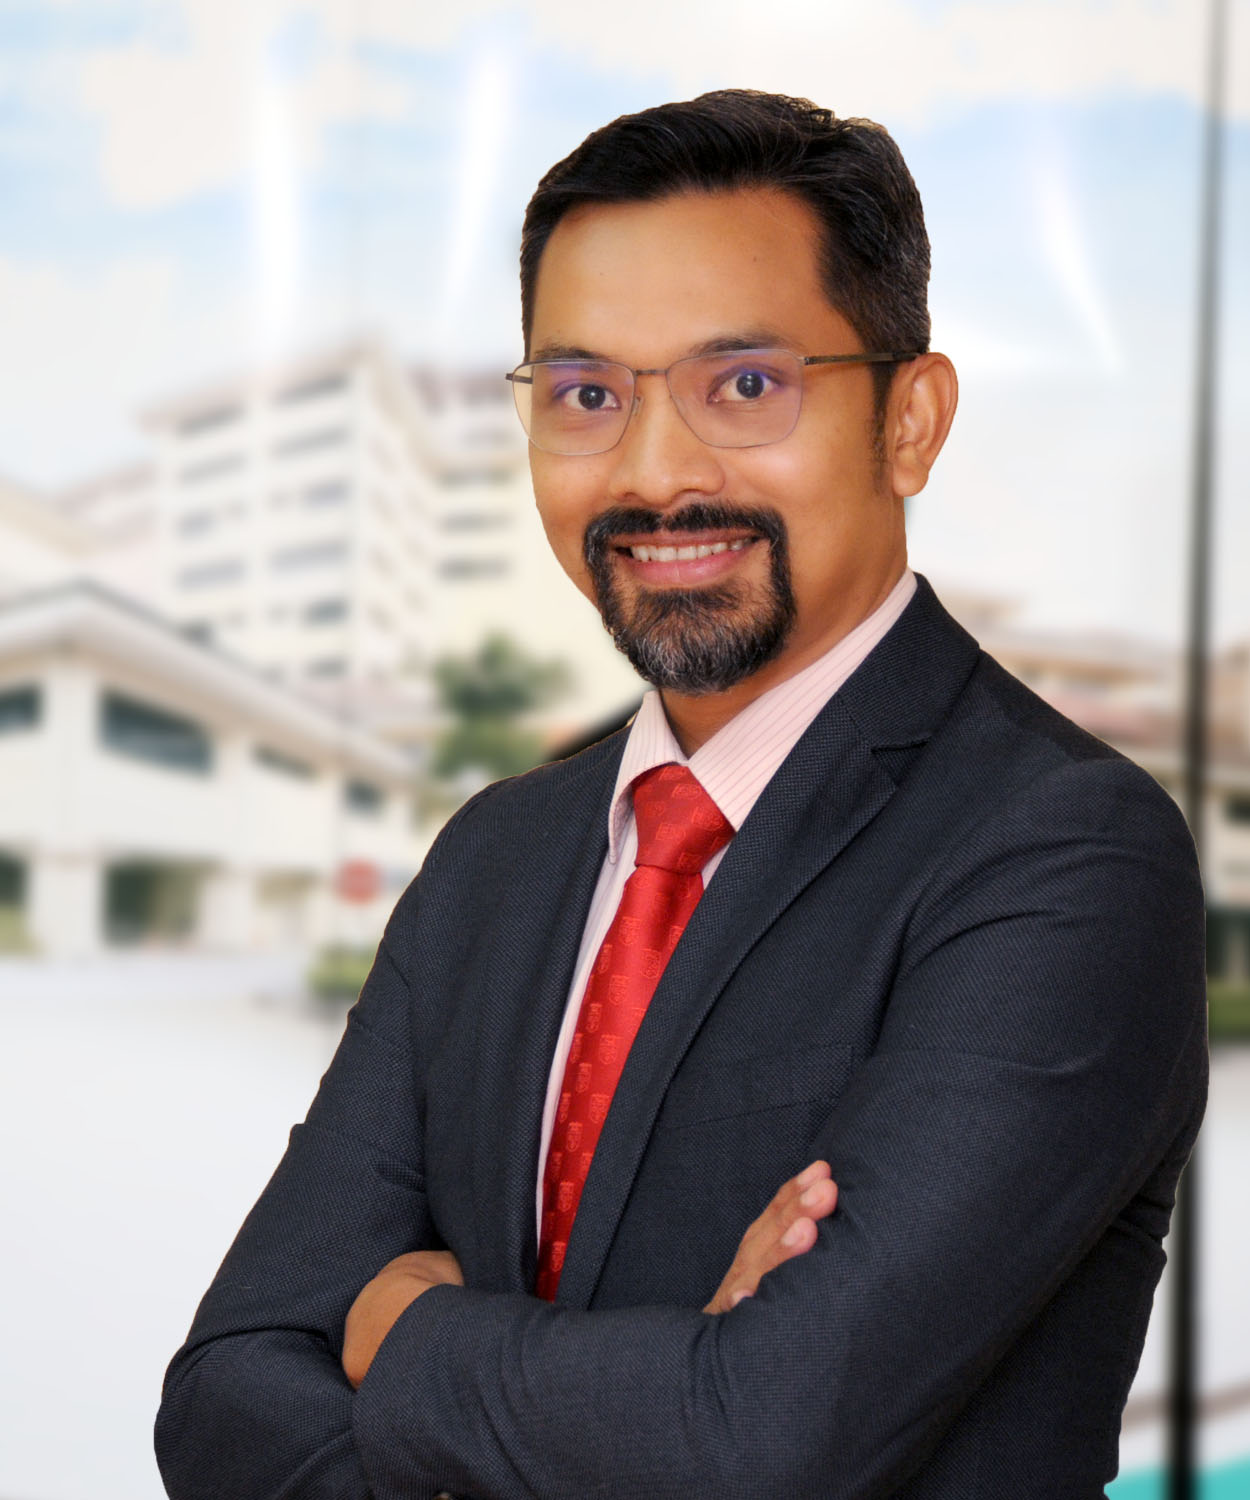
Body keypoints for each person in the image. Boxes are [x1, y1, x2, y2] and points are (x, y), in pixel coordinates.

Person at [156, 90, 1207, 1499]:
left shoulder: (1061, 854)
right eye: (588, 397)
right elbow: (223, 1399)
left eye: (746, 385)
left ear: (909, 421)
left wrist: (400, 1331)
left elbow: (764, 1439)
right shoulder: (497, 857)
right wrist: (667, 1390)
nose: (655, 474)